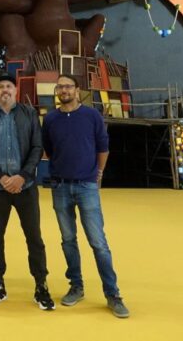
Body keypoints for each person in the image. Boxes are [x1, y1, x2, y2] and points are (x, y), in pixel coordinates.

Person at [41, 74, 129, 318]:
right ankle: (76, 286)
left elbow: (103, 147)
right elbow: (48, 149)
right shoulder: (50, 119)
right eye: (60, 86)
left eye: (68, 86)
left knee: (98, 242)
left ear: (77, 90)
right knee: (68, 239)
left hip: (86, 186)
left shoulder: (92, 116)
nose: (64, 90)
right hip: (60, 186)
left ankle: (112, 293)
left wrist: (97, 174)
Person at [0, 74, 55, 310]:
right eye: (0, 87)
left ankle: (41, 285)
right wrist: (1, 177)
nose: (5, 90)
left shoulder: (29, 114)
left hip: (26, 187)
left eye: (9, 86)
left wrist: (22, 176)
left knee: (34, 238)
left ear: (15, 90)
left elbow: (37, 147)